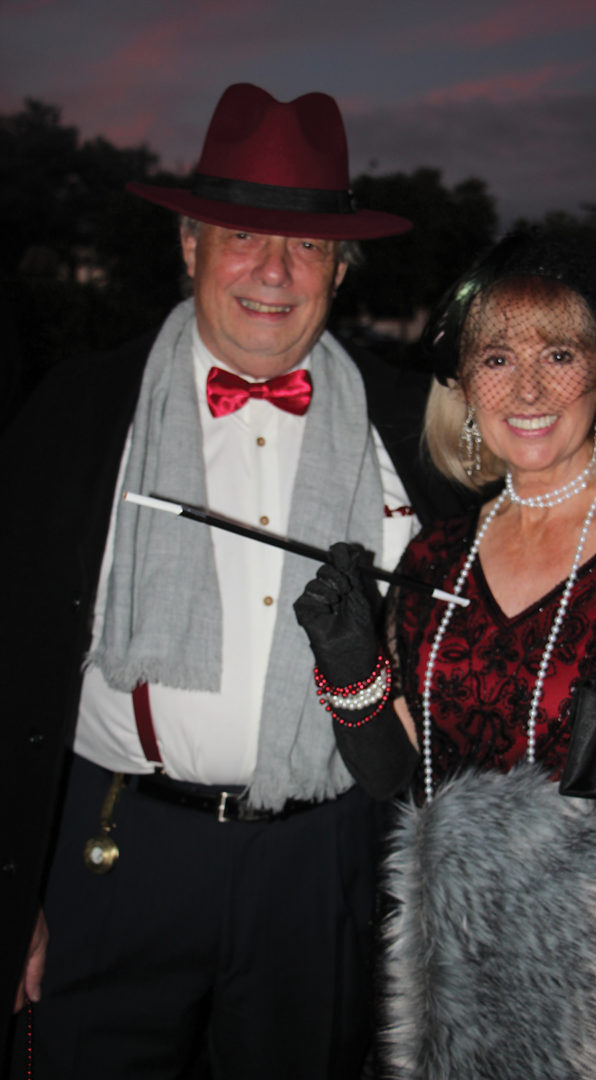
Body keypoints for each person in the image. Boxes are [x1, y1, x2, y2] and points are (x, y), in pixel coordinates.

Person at [0, 83, 468, 1079]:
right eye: (241, 236)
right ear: (189, 246)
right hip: (113, 851)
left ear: (339, 270)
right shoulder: (76, 414)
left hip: (322, 868)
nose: (272, 271)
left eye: (306, 246)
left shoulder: (419, 432)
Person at [295, 229, 596, 1079]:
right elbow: (395, 776)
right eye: (496, 359)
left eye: (558, 354)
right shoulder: (434, 556)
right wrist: (348, 667)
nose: (527, 387)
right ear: (465, 388)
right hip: (447, 977)